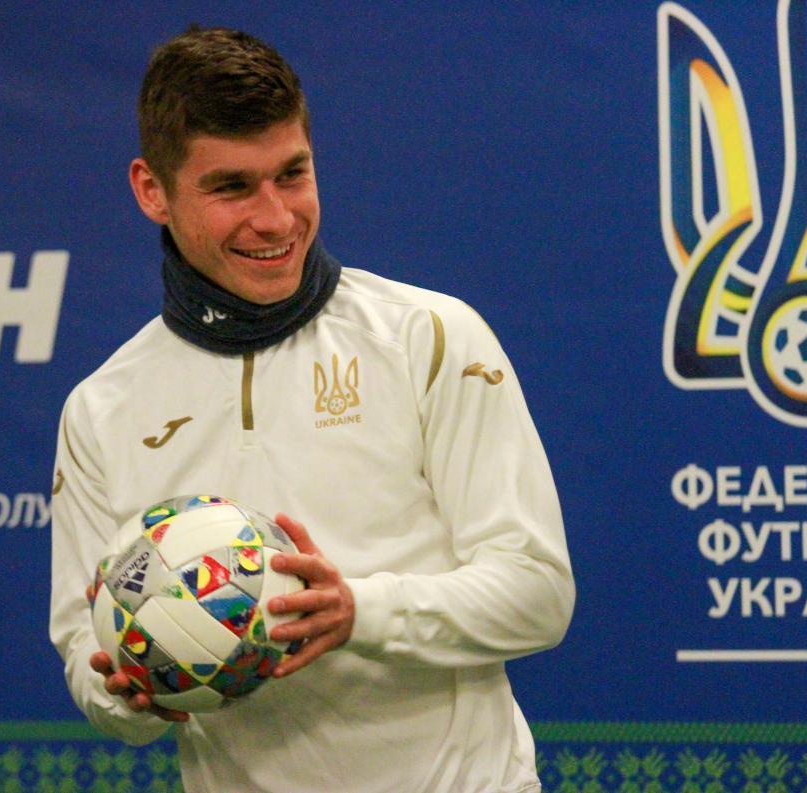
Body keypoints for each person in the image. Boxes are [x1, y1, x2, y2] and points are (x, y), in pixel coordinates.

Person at [49, 26, 574, 793]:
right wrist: (132, 689)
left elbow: (539, 593)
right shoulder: (101, 409)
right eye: (232, 187)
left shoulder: (430, 336)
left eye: (292, 174)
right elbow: (86, 650)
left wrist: (358, 611)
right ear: (152, 190)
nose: (276, 218)